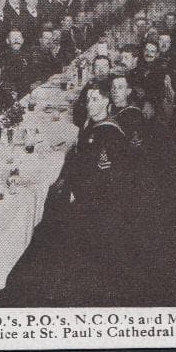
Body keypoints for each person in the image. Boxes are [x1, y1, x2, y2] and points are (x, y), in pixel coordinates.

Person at [59, 80, 133, 304]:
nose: (90, 104)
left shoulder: (108, 133)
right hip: (89, 196)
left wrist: (74, 192)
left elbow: (104, 177)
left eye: (96, 100)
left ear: (107, 102)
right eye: (88, 99)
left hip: (101, 203)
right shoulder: (92, 123)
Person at [72, 55, 113, 128]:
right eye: (97, 67)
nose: (101, 70)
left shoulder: (114, 86)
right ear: (93, 70)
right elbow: (79, 107)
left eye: (105, 66)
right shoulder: (90, 85)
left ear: (110, 69)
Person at [0, 29, 32, 98]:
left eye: (19, 37)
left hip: (28, 94)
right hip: (9, 95)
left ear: (23, 40)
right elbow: (2, 80)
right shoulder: (2, 58)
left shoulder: (28, 56)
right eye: (13, 37)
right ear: (7, 41)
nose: (16, 40)